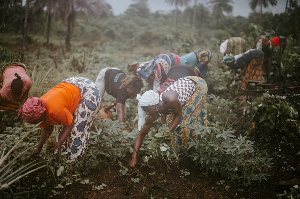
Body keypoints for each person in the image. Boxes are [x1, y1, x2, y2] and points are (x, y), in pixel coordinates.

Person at [130, 76, 208, 168]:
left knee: (184, 124)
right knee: (170, 123)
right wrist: (134, 157)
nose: (147, 113)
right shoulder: (154, 112)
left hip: (197, 85)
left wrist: (167, 133)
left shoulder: (170, 100)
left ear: (155, 106)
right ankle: (178, 149)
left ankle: (193, 148)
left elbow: (178, 115)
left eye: (147, 110)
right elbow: (141, 134)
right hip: (177, 97)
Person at [18, 77, 101, 163]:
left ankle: (74, 162)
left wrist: (59, 143)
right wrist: (38, 148)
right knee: (62, 134)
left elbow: (69, 124)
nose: (32, 123)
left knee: (77, 129)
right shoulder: (39, 106)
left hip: (89, 91)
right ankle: (64, 158)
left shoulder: (54, 110)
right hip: (72, 86)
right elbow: (47, 128)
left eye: (33, 121)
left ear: (40, 115)